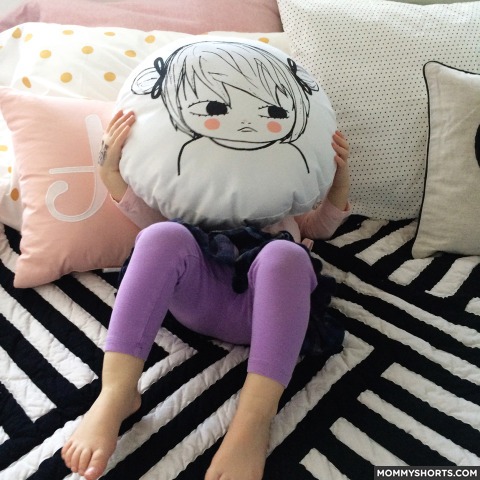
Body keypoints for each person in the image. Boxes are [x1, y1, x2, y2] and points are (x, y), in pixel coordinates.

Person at [61, 109, 350, 480]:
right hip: (200, 298)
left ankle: (253, 420)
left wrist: (337, 174)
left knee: (286, 255)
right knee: (161, 234)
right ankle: (117, 392)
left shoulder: (286, 205)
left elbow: (322, 227)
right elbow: (144, 217)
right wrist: (108, 166)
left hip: (267, 312)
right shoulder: (195, 197)